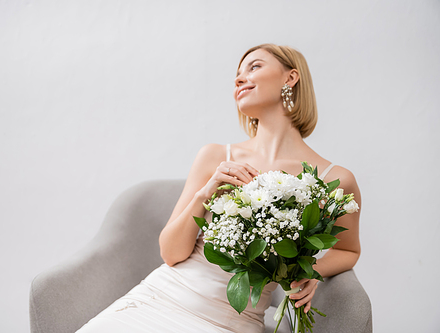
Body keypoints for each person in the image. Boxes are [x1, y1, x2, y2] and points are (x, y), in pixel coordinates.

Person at [76, 43, 361, 333]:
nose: (239, 79)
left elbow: (349, 250)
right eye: (237, 74)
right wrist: (205, 193)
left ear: (290, 78)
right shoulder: (215, 156)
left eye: (255, 67)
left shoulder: (332, 178)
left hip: (231, 321)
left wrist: (310, 272)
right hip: (160, 299)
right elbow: (170, 253)